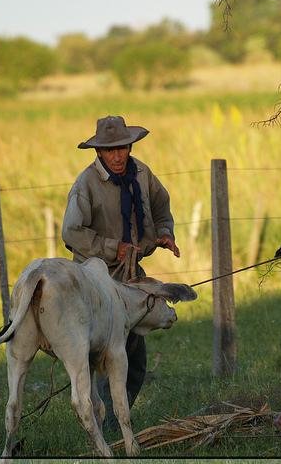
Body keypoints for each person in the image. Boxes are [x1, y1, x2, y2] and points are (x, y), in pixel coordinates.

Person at [61, 115, 180, 429]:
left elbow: (160, 204)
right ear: (98, 152)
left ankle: (113, 420)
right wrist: (115, 248)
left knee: (135, 359)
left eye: (122, 148)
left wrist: (164, 232)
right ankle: (109, 426)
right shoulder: (86, 184)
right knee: (109, 354)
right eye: (109, 150)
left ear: (129, 146)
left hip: (131, 277)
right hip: (95, 279)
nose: (117, 156)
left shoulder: (141, 173)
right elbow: (71, 232)